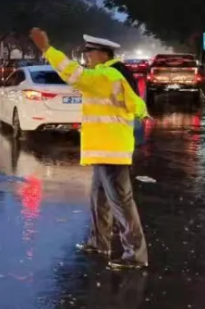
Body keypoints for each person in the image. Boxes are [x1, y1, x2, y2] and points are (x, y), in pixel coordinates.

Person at [30, 29, 150, 270]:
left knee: (121, 204)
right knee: (99, 200)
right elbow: (132, 103)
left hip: (111, 151)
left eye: (90, 53)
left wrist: (47, 49)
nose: (87, 57)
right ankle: (99, 242)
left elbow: (75, 75)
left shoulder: (107, 76)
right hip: (105, 149)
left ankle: (135, 255)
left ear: (104, 54)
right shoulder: (115, 73)